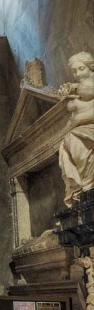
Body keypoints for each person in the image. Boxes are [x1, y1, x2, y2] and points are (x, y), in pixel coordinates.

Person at [58, 52, 94, 206]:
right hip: (82, 128)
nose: (78, 74)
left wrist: (78, 118)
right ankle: (83, 186)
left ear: (90, 67)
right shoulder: (78, 88)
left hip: (89, 128)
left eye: (81, 69)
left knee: (73, 139)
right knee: (66, 145)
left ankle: (87, 184)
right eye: (74, 71)